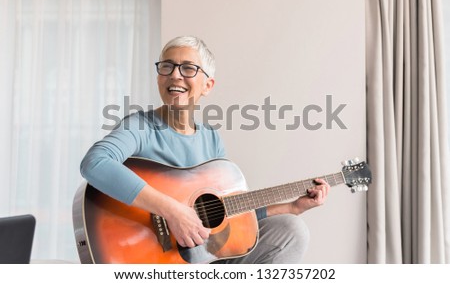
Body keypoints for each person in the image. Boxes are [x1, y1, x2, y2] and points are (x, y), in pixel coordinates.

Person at [80, 36, 330, 263]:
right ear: (159, 77)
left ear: (207, 85)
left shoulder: (211, 139)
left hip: (204, 257)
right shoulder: (140, 126)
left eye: (188, 68)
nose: (175, 75)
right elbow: (95, 163)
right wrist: (173, 211)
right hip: (154, 259)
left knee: (290, 228)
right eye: (167, 66)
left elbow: (226, 214)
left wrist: (292, 207)